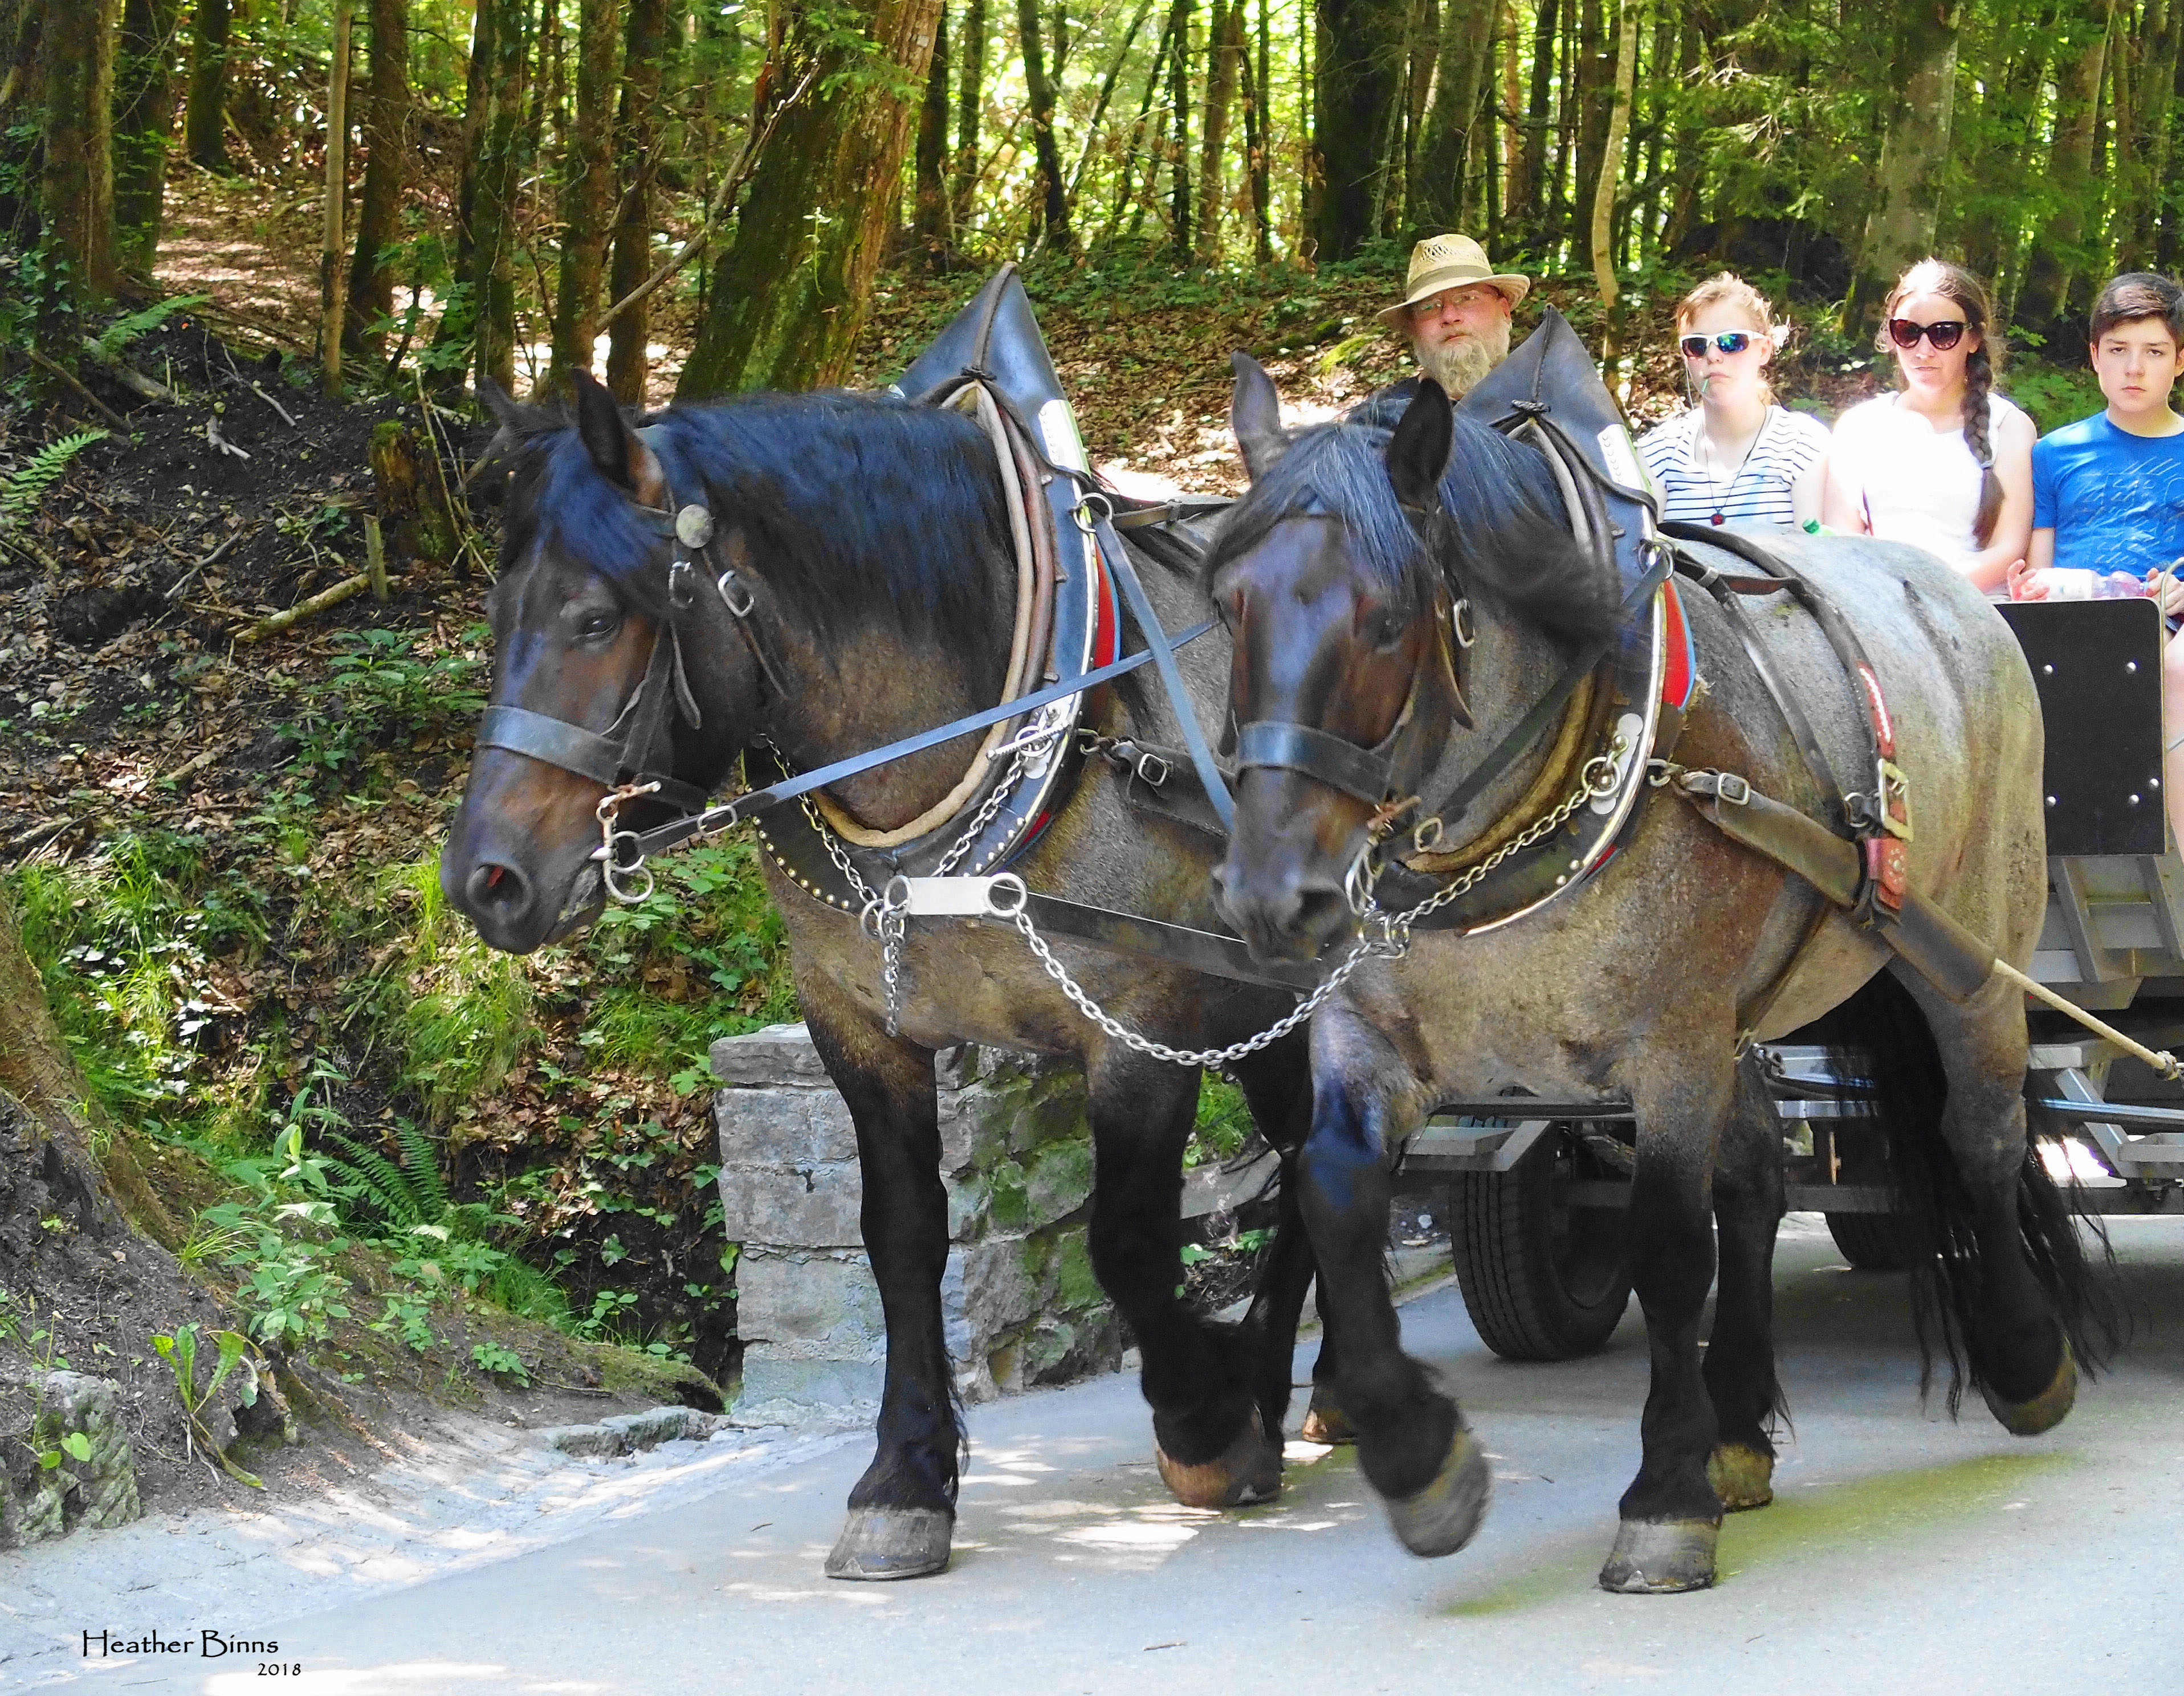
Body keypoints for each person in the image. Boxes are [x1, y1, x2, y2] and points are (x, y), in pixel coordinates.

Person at [2002, 271, 2184, 852]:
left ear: (2179, 361)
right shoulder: (2055, 452)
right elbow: (2039, 567)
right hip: (2078, 620)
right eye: (2118, 350)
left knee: (2177, 668)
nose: (2134, 368)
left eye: (2154, 352)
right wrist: (2032, 588)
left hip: (2169, 625)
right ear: (2094, 357)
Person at [1822, 258, 2036, 593]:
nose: (1924, 351)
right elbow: (1841, 539)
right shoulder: (1857, 427)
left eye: (1943, 334)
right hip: (1878, 603)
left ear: (1974, 339)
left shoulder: (2010, 427)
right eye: (1908, 332)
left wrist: (1929, 593)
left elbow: (2009, 549)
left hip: (1975, 605)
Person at [1635, 272, 1829, 528]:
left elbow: (1812, 548)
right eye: (1697, 345)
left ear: (1764, 350)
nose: (1713, 356)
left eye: (1731, 342)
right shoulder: (1657, 453)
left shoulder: (1803, 445)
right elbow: (1644, 549)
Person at [1374, 233, 1528, 401]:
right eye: (1429, 307)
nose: (1449, 316)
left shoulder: (1544, 397)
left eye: (1467, 298)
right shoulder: (1384, 413)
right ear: (1413, 327)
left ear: (1504, 310)